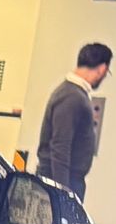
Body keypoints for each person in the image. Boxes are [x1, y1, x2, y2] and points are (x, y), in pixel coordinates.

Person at [36, 42, 111, 199]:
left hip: (62, 181)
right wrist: (63, 195)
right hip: (60, 182)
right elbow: (60, 146)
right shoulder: (72, 97)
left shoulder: (72, 93)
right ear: (102, 69)